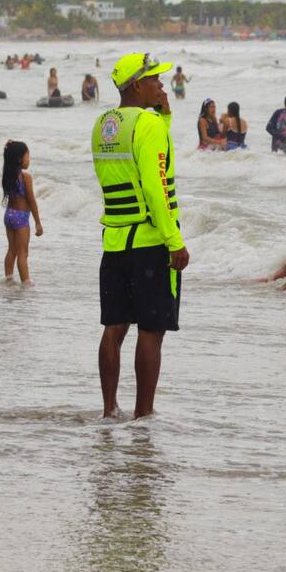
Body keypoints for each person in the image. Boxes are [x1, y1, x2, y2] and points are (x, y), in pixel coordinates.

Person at [92, 53, 188, 419]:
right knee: (152, 329)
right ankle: (143, 415)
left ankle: (108, 409)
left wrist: (163, 115)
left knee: (114, 327)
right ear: (136, 85)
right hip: (150, 243)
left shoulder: (103, 124)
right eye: (154, 80)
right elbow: (155, 184)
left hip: (115, 240)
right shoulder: (148, 126)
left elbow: (130, 170)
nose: (162, 85)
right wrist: (174, 241)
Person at [1, 140, 43, 285]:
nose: (29, 159)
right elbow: (31, 201)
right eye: (27, 156)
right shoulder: (26, 177)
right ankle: (26, 283)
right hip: (21, 218)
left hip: (9, 215)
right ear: (19, 159)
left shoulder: (8, 175)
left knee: (12, 250)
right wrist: (38, 222)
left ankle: (8, 279)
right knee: (23, 253)